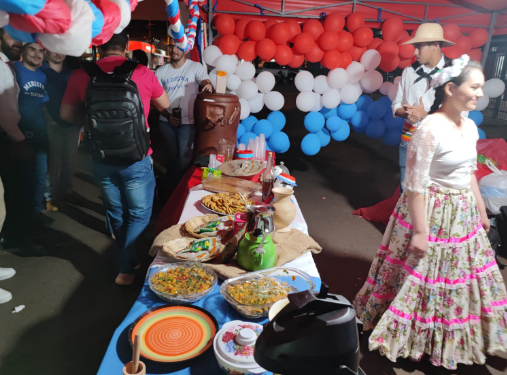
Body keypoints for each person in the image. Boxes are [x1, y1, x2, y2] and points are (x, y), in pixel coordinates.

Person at [354, 56, 507, 369]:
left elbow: (467, 172)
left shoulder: (471, 126)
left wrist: (480, 209)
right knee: (422, 277)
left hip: (461, 211)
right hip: (429, 210)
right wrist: (421, 231)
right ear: (451, 89)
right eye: (474, 86)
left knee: (463, 277)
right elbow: (414, 186)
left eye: (481, 86)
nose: (480, 93)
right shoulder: (428, 130)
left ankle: (468, 335)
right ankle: (415, 338)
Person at [61, 32, 170, 286]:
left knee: (117, 213)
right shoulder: (142, 72)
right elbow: (164, 103)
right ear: (125, 48)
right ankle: (126, 266)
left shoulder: (81, 74)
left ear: (99, 48)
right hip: (136, 159)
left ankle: (128, 263)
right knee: (140, 214)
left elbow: (66, 114)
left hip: (100, 158)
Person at [392, 23, 454, 192]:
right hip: (409, 139)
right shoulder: (408, 72)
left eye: (419, 47)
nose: (415, 52)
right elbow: (396, 105)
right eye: (415, 47)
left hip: (439, 142)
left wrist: (425, 115)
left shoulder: (454, 74)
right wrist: (408, 113)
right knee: (407, 189)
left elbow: (461, 116)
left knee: (435, 191)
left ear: (435, 45)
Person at [155, 38, 213, 197]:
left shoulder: (195, 67)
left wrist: (208, 85)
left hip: (188, 122)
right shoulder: (161, 71)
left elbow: (205, 81)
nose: (174, 50)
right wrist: (167, 116)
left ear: (186, 49)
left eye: (178, 47)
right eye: (171, 47)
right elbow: (155, 98)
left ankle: (165, 185)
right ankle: (175, 193)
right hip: (166, 122)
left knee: (184, 159)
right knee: (173, 157)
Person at [41, 50, 78, 212]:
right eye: (53, 50)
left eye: (61, 50)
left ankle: (67, 191)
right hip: (50, 125)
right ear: (46, 52)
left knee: (69, 161)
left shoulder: (72, 74)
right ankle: (50, 196)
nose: (58, 53)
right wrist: (47, 118)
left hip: (71, 126)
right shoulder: (41, 73)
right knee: (53, 164)